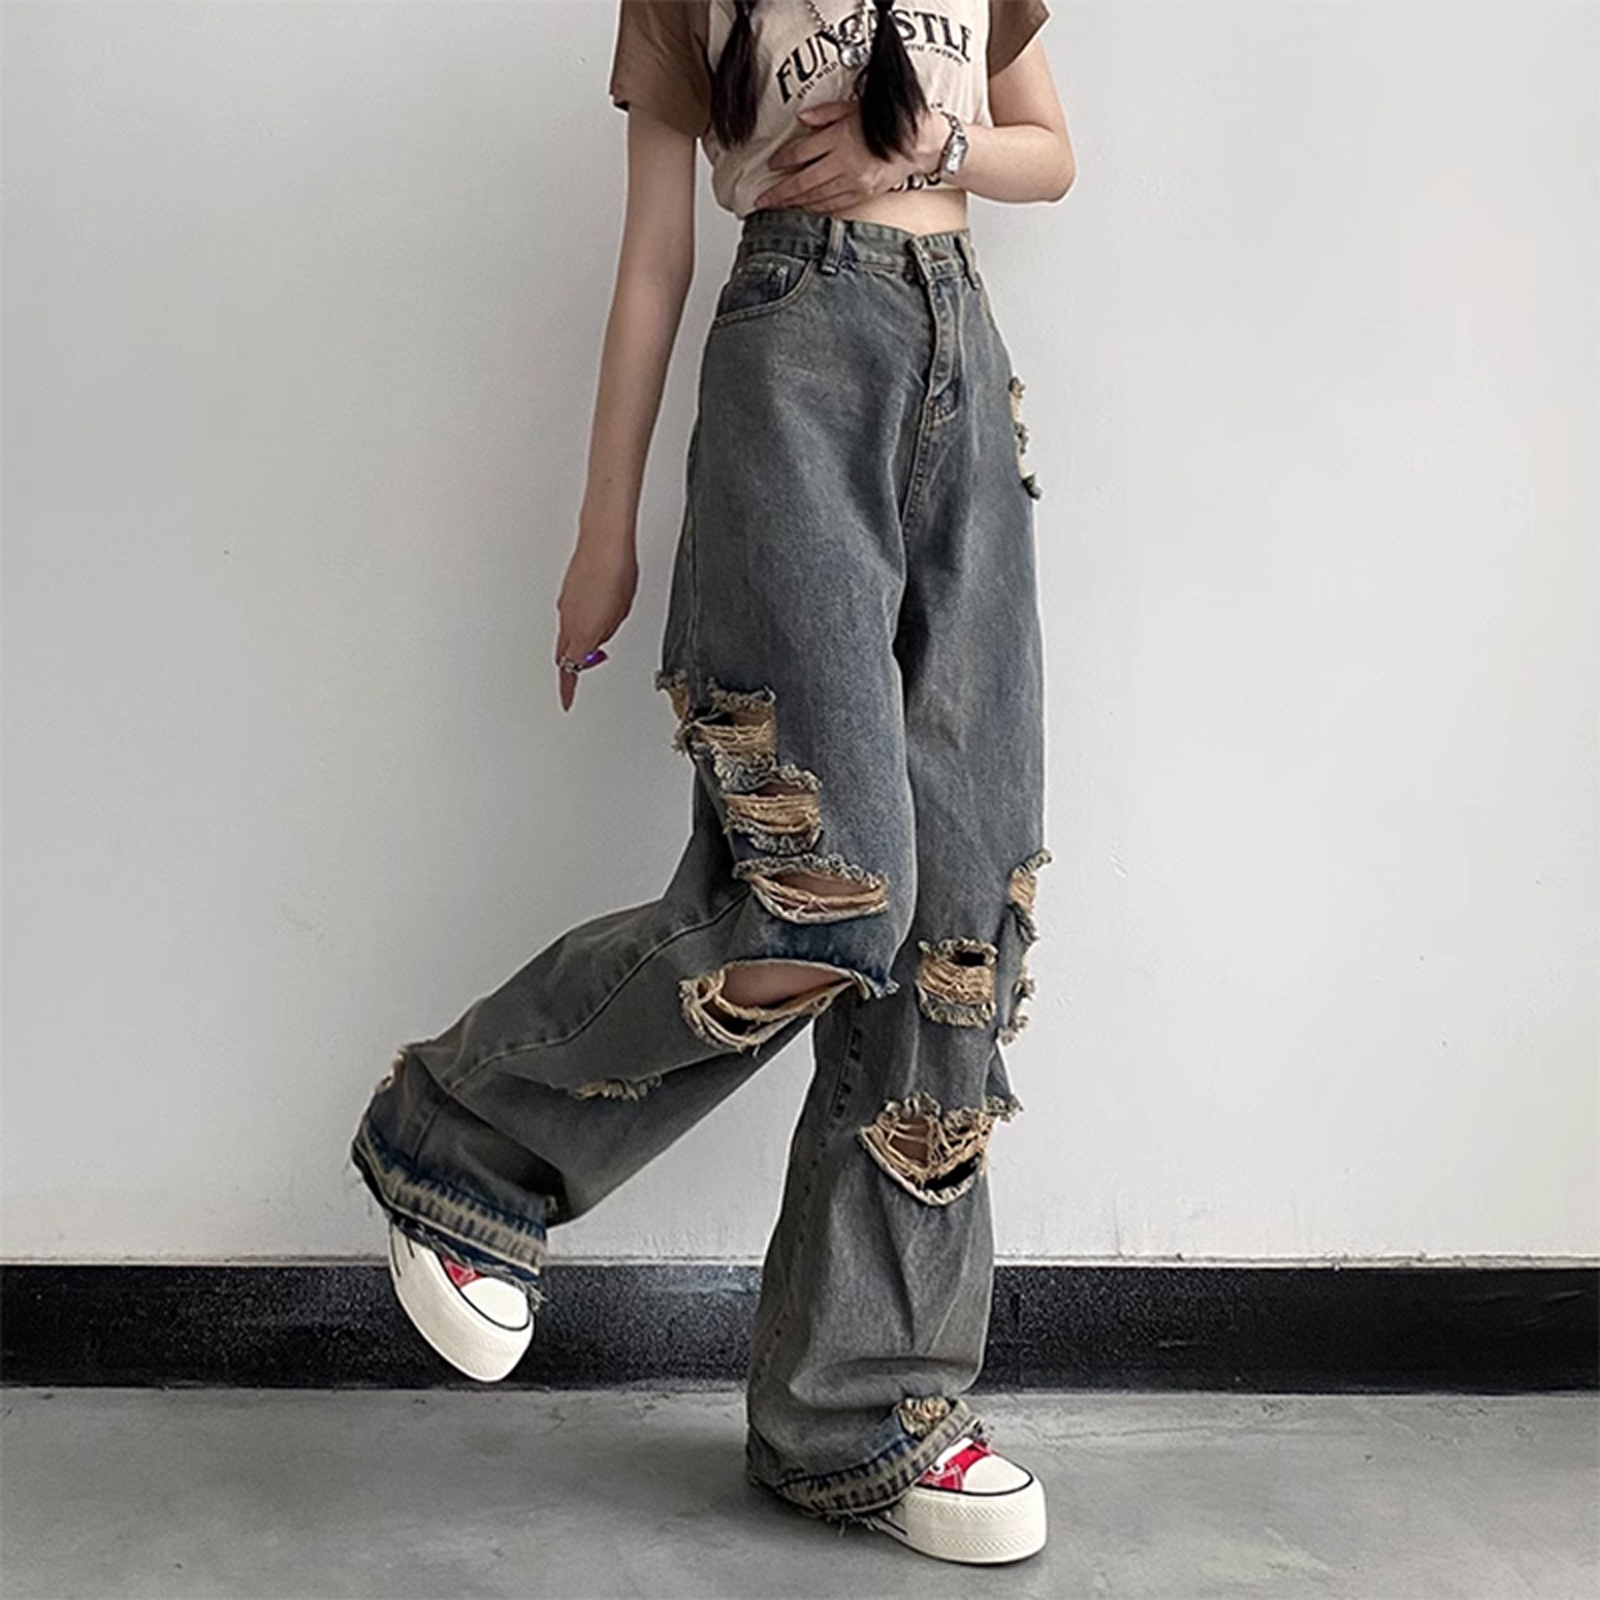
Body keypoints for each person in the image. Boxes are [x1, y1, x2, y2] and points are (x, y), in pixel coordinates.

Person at [350, 0, 1075, 1567]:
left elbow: (1052, 153)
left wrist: (935, 142)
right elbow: (655, 260)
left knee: (963, 915)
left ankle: (862, 1414)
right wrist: (602, 534)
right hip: (794, 364)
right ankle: (463, 1140)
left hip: (967, 379)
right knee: (831, 893)